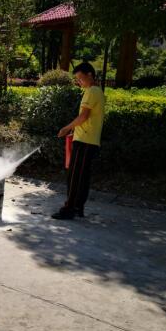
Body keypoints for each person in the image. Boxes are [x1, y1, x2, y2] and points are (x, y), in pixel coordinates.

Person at [52, 62, 105, 220]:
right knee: (82, 176)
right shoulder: (96, 91)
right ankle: (77, 208)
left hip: (85, 141)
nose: (79, 82)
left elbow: (83, 117)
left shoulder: (92, 91)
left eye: (81, 78)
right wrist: (74, 130)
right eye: (77, 79)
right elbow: (88, 119)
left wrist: (66, 128)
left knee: (75, 177)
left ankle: (69, 209)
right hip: (87, 140)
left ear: (90, 75)